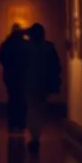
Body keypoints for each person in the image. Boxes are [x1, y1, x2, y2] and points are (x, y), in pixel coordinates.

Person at [20, 23, 61, 152]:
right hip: (43, 84)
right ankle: (36, 135)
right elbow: (56, 68)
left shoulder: (26, 48)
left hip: (29, 83)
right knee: (40, 109)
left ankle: (33, 135)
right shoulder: (49, 48)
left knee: (31, 109)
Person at [0, 24, 27, 132]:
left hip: (10, 75)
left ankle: (12, 124)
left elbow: (1, 57)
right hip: (22, 75)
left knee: (12, 99)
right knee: (21, 100)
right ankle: (21, 124)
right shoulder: (24, 44)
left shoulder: (6, 44)